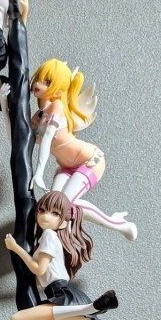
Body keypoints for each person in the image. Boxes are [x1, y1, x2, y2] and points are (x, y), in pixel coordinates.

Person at [29, 59, 136, 240]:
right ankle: (57, 242)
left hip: (90, 161)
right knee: (53, 206)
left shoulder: (56, 107)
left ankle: (120, 224)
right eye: (38, 78)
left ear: (59, 90)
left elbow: (46, 139)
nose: (38, 84)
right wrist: (5, 106)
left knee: (63, 204)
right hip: (66, 167)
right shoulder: (38, 116)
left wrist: (39, 172)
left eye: (46, 81)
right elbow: (21, 139)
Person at [4, 191, 118, 320]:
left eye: (55, 213)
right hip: (62, 296)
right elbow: (42, 276)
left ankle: (90, 309)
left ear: (63, 222)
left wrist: (15, 248)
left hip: (61, 295)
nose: (45, 216)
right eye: (42, 210)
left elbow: (39, 269)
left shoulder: (49, 235)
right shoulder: (48, 239)